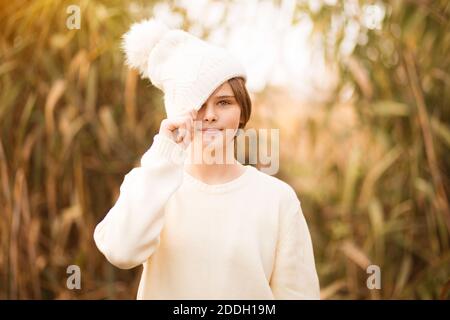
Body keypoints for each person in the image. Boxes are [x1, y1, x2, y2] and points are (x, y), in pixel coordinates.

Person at [93, 18, 320, 299]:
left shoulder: (278, 200)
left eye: (224, 102)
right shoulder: (152, 186)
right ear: (178, 113)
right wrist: (164, 151)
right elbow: (121, 250)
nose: (210, 115)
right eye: (198, 104)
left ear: (241, 113)